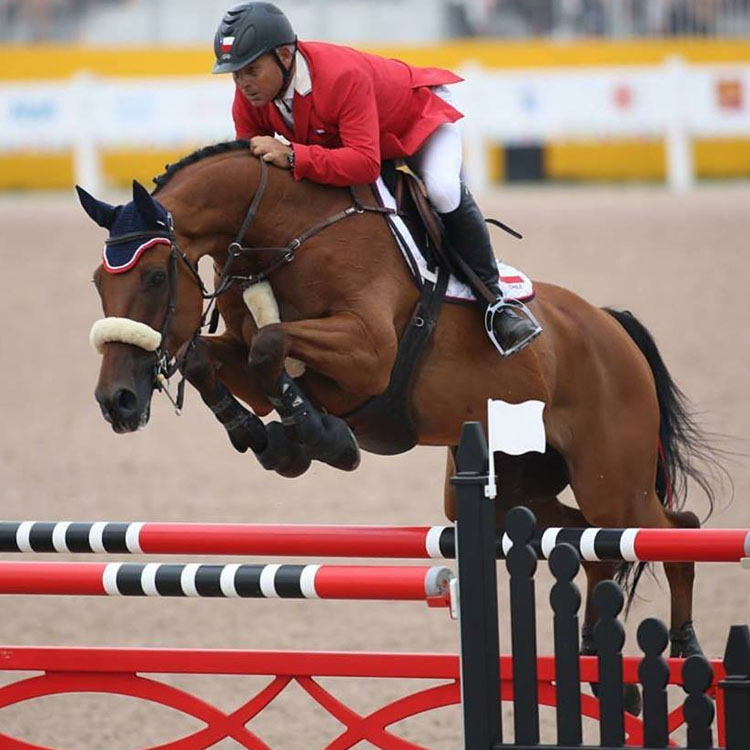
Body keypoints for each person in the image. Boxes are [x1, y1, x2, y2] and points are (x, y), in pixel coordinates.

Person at [212, 1, 541, 356]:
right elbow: (254, 172)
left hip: (415, 123)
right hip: (360, 143)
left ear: (285, 56)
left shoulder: (340, 75)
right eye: (236, 74)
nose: (243, 83)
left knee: (443, 191)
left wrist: (293, 155)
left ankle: (495, 302)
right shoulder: (251, 98)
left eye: (251, 70)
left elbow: (365, 164)